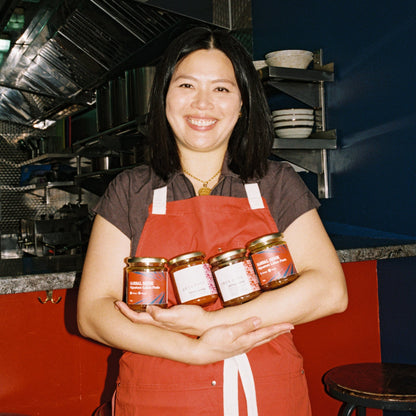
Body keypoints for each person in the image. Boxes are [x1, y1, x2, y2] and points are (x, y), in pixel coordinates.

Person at [77, 26, 348, 415]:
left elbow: (329, 290)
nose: (202, 103)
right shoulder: (129, 191)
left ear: (243, 104)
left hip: (267, 393)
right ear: (165, 96)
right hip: (158, 395)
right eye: (186, 85)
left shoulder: (276, 183)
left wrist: (210, 324)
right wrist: (193, 349)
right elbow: (92, 313)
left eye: (221, 89)